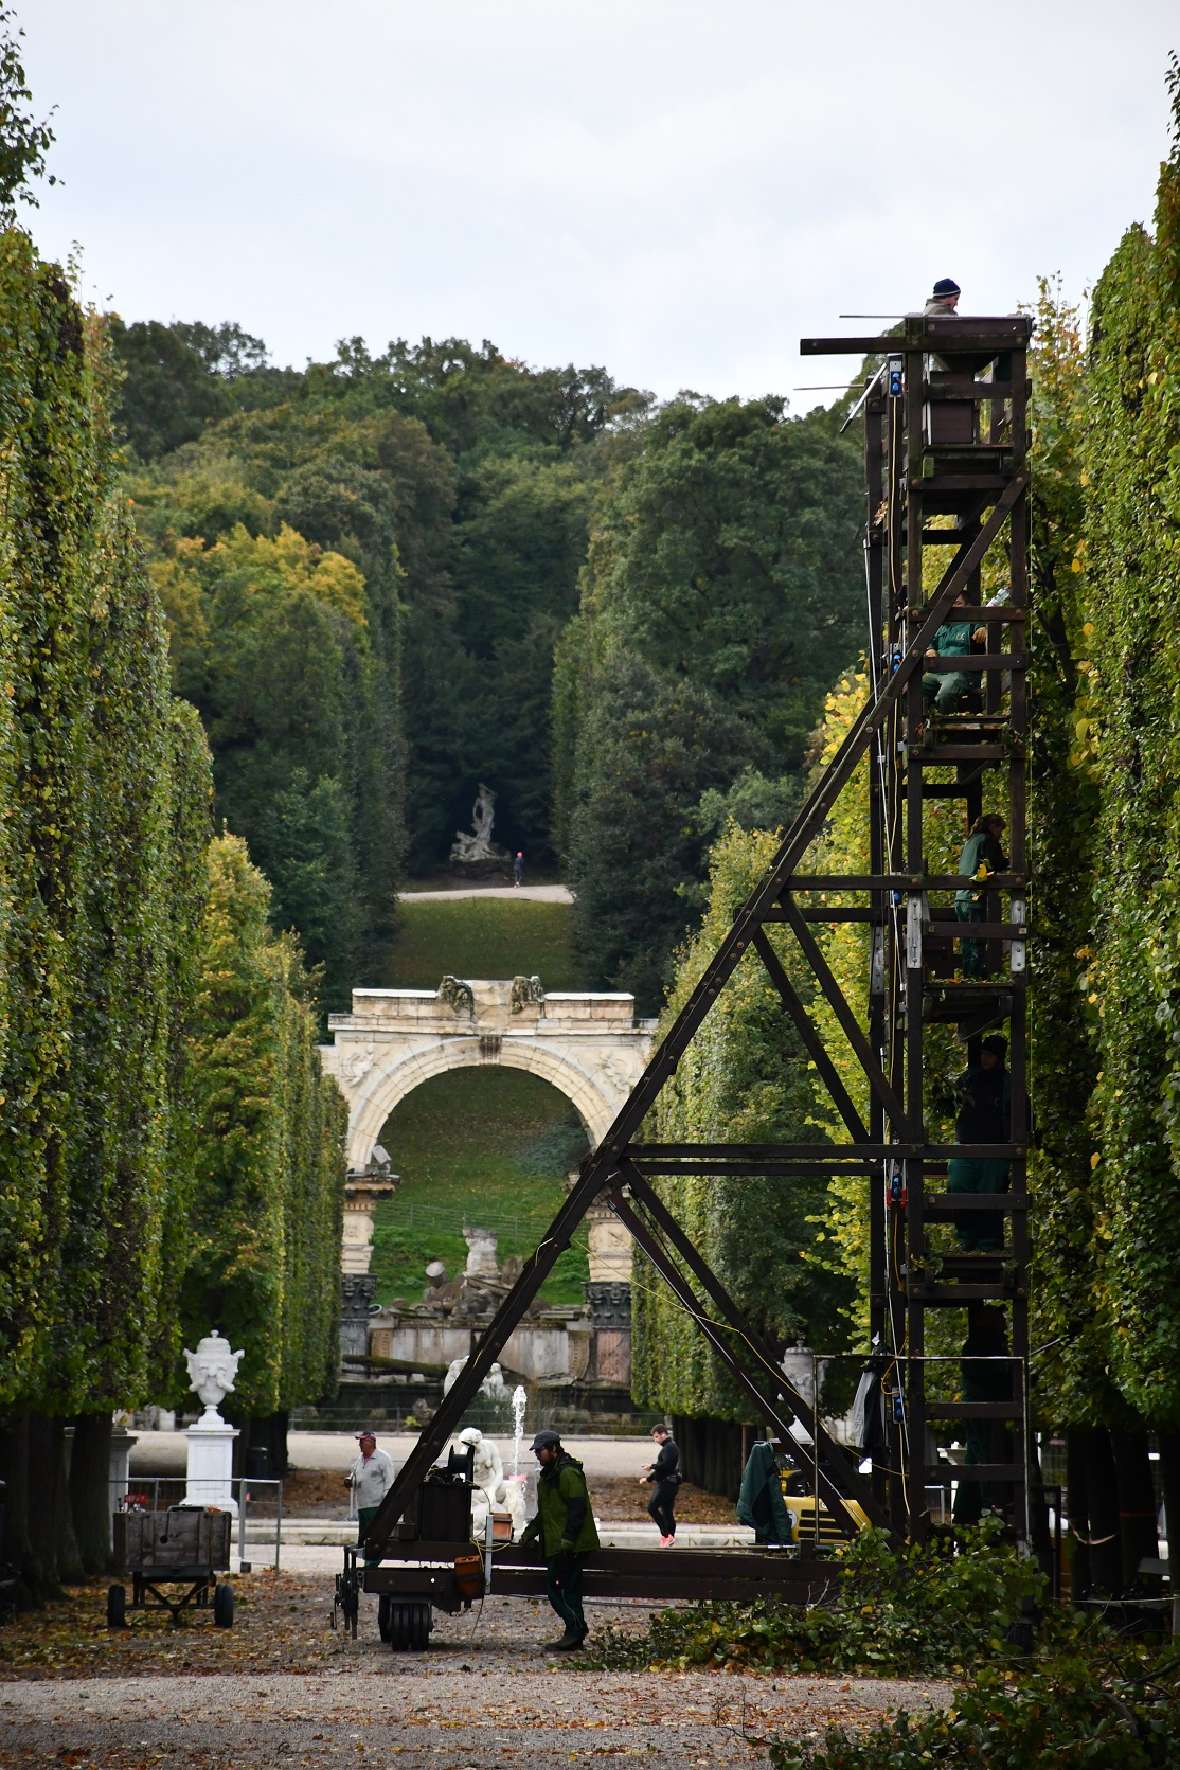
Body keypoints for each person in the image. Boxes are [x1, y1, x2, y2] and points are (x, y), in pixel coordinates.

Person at [519, 1429, 600, 1651]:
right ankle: (574, 1632)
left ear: (554, 1449)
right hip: (562, 1545)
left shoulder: (567, 1473)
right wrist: (530, 1532)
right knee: (567, 1590)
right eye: (536, 1451)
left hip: (571, 1546)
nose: (537, 1454)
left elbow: (577, 1508)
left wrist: (567, 1540)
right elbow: (546, 1513)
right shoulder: (550, 1475)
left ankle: (576, 1629)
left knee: (559, 1591)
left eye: (540, 1450)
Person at [948, 1035, 1012, 1251]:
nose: (985, 1059)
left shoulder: (1008, 1083)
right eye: (984, 1054)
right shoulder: (970, 1078)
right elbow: (951, 1097)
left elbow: (1022, 1112)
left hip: (995, 1147)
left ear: (999, 1057)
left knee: (991, 1193)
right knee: (959, 1184)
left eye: (990, 1055)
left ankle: (989, 1241)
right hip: (965, 1143)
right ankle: (966, 1237)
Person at [952, 1303, 1012, 1527]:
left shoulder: (983, 1344)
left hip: (983, 1407)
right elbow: (994, 1377)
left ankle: (969, 1511)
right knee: (984, 1455)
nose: (1003, 1323)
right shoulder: (982, 1345)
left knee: (978, 1456)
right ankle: (989, 1505)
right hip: (983, 1408)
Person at [955, 815, 1008, 978]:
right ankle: (975, 978)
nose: (1001, 835)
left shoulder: (970, 841)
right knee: (976, 940)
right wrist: (1010, 861)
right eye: (1000, 829)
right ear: (993, 826)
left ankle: (968, 976)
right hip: (973, 897)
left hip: (960, 897)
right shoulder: (987, 841)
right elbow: (996, 863)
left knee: (966, 942)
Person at [345, 1428, 394, 1568]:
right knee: (365, 1538)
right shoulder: (359, 1460)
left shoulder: (383, 1458)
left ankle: (372, 1565)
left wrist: (385, 1502)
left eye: (362, 1441)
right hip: (363, 1505)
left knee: (376, 1537)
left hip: (376, 1505)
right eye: (359, 1441)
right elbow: (356, 1478)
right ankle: (367, 1563)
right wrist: (350, 1481)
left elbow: (389, 1481)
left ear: (371, 1442)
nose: (359, 1444)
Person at [921, 592, 977, 716]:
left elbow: (981, 625)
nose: (954, 607)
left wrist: (981, 629)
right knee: (913, 689)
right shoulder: (941, 626)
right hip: (937, 673)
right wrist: (929, 649)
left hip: (959, 673)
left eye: (958, 603)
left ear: (966, 606)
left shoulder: (970, 622)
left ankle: (946, 725)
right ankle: (923, 721)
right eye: (951, 604)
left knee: (944, 695)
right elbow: (928, 640)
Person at [736, 1438, 795, 1545]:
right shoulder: (769, 1474)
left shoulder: (750, 1476)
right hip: (769, 1529)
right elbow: (778, 1506)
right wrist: (786, 1539)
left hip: (758, 1524)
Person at [642, 1424, 681, 1546]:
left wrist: (652, 1466)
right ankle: (670, 1537)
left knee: (652, 1508)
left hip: (667, 1485)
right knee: (667, 1512)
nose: (656, 1440)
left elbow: (666, 1466)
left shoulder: (670, 1448)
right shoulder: (669, 1447)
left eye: (657, 1436)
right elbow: (662, 1469)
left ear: (664, 1434)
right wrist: (648, 1479)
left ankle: (666, 1534)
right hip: (669, 1484)